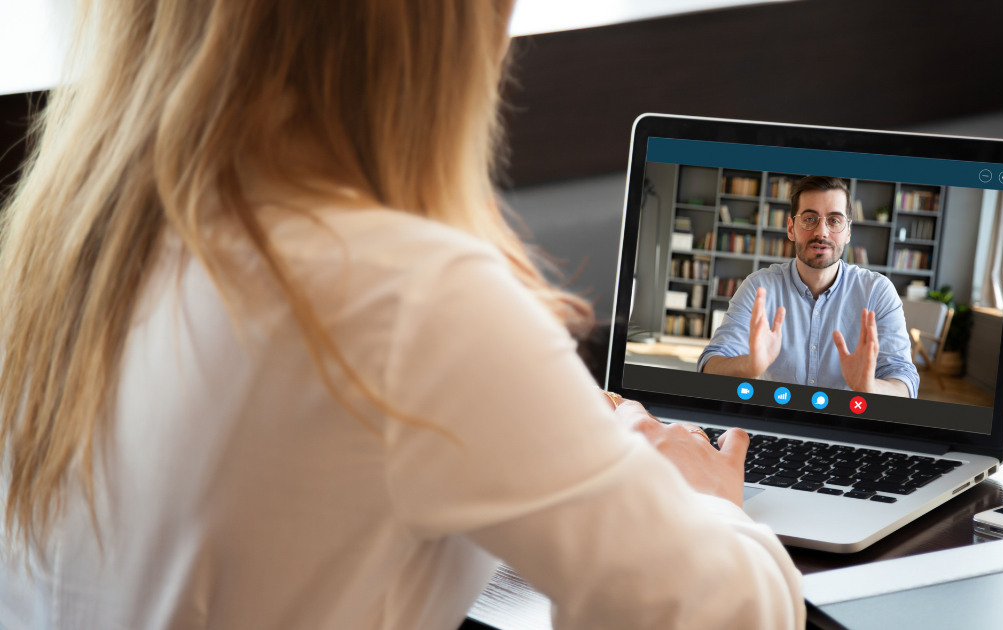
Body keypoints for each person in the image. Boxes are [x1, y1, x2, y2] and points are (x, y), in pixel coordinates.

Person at [0, 0, 803, 628]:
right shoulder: (407, 296)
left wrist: (563, 447)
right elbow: (704, 613)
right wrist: (697, 503)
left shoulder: (68, 251)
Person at [700, 176, 919, 398]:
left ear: (848, 231)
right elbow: (709, 366)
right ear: (791, 228)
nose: (821, 232)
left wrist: (870, 387)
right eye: (809, 218)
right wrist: (748, 366)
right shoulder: (758, 287)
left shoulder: (878, 292)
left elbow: (905, 383)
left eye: (834, 220)